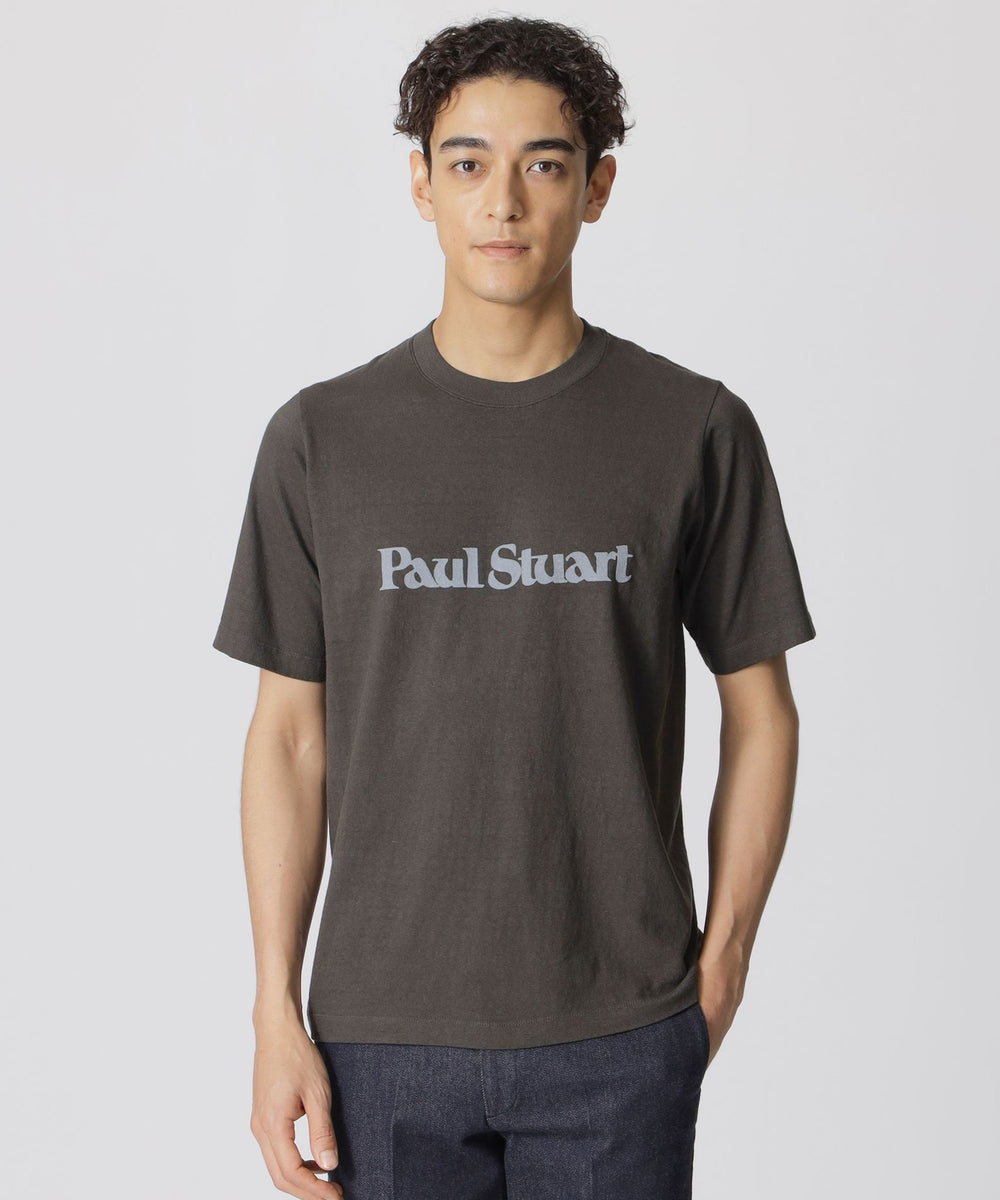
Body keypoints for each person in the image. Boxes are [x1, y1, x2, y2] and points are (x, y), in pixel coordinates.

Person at [212, 14, 817, 1200]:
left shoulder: (692, 427)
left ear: (596, 189)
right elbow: (288, 737)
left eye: (543, 163)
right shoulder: (321, 439)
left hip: (619, 1031)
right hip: (380, 1039)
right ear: (421, 186)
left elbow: (763, 709)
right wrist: (273, 1009)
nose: (502, 202)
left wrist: (723, 965)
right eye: (467, 162)